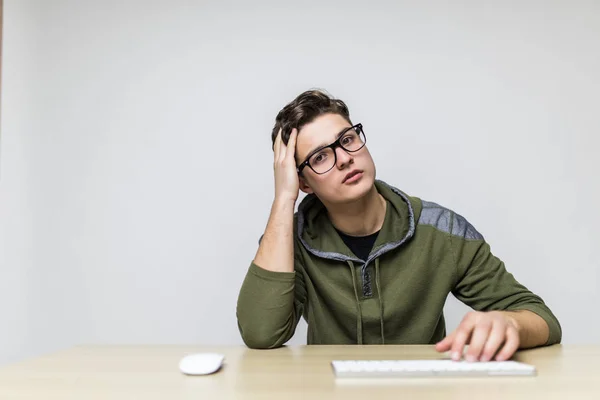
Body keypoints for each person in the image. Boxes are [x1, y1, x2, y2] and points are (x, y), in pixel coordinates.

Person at [236, 89, 561, 362]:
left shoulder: (441, 229)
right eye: (320, 157)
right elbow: (260, 333)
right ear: (302, 182)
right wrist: (283, 199)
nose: (346, 157)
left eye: (347, 139)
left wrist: (510, 324)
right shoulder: (288, 240)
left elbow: (543, 319)